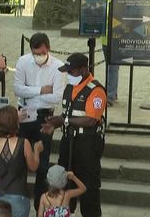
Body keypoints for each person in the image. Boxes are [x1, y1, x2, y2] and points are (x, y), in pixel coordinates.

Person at [41, 53, 106, 217]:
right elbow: (67, 115)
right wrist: (55, 124)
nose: (68, 75)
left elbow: (91, 120)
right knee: (64, 182)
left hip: (87, 144)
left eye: (72, 72)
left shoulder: (96, 91)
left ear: (84, 70)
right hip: (68, 141)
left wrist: (63, 120)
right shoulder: (70, 87)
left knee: (88, 184)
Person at [13, 32, 65, 212]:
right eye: (35, 53)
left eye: (41, 53)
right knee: (20, 160)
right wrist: (42, 90)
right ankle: (20, 201)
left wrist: (31, 93)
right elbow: (18, 90)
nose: (38, 57)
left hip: (45, 118)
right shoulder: (23, 61)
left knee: (42, 164)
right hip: (24, 116)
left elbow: (56, 97)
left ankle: (40, 207)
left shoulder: (58, 66)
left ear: (48, 49)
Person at [0, 105, 44, 217]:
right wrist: (37, 151)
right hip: (19, 197)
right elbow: (33, 167)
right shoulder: (24, 143)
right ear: (16, 123)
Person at [101, 0, 124, 106]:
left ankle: (109, 97)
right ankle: (112, 93)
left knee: (113, 68)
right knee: (111, 68)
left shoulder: (125, 1)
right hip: (106, 40)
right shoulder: (105, 0)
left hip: (119, 40)